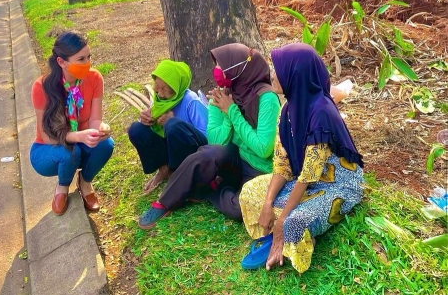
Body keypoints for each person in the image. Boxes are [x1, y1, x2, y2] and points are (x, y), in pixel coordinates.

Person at [239, 43, 364, 274]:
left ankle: (288, 237)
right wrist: (267, 205)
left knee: (293, 223)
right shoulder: (287, 109)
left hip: (337, 186)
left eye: (279, 69)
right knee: (250, 192)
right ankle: (285, 230)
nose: (273, 75)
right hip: (305, 181)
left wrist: (280, 224)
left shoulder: (321, 113)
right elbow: (282, 164)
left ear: (295, 74)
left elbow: (308, 175)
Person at [138, 43, 280, 228]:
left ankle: (209, 189)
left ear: (237, 68)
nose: (217, 71)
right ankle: (164, 203)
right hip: (235, 159)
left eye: (222, 66)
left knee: (238, 210)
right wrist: (228, 115)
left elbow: (263, 149)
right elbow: (214, 141)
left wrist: (232, 112)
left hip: (259, 167)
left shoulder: (266, 98)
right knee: (208, 153)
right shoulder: (222, 96)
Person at [30, 32, 114, 215]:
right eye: (81, 59)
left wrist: (101, 128)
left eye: (89, 57)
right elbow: (46, 134)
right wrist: (77, 136)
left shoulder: (94, 78)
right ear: (62, 62)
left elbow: (95, 119)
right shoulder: (42, 87)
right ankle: (62, 187)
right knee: (70, 151)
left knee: (106, 144)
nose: (87, 63)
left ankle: (85, 183)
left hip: (80, 143)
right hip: (48, 148)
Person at [128, 59, 209, 194]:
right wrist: (146, 120)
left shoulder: (191, 101)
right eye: (157, 87)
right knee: (136, 129)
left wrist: (174, 122)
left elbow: (207, 136)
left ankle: (179, 174)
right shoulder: (161, 100)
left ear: (176, 88)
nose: (159, 93)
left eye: (165, 89)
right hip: (171, 149)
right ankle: (164, 168)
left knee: (173, 125)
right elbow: (154, 128)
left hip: (192, 152)